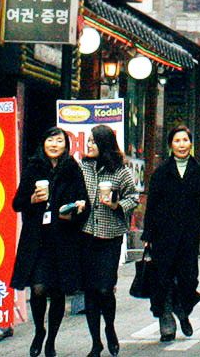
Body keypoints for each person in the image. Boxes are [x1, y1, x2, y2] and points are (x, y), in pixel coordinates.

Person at [10, 126, 89, 357]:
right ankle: (39, 331)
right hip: (37, 239)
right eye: (50, 140)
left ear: (66, 145)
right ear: (43, 143)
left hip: (63, 239)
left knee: (57, 292)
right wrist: (33, 198)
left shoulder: (73, 168)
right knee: (38, 289)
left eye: (59, 141)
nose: (54, 145)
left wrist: (77, 208)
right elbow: (17, 203)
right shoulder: (34, 166)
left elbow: (83, 202)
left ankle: (51, 339)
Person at [141, 126, 200, 342]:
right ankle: (166, 320)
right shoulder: (161, 172)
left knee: (189, 279)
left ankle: (182, 309)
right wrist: (148, 237)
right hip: (163, 236)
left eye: (185, 140)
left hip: (189, 237)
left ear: (191, 144)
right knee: (162, 279)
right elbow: (151, 206)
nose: (181, 144)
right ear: (171, 145)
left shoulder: (199, 173)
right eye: (177, 140)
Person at [79, 125, 140, 357]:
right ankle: (96, 342)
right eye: (88, 142)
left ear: (104, 143)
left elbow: (133, 198)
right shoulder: (83, 167)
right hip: (85, 234)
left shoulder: (120, 171)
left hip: (110, 235)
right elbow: (73, 192)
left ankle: (110, 329)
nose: (89, 146)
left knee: (105, 289)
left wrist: (117, 204)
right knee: (90, 290)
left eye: (93, 142)